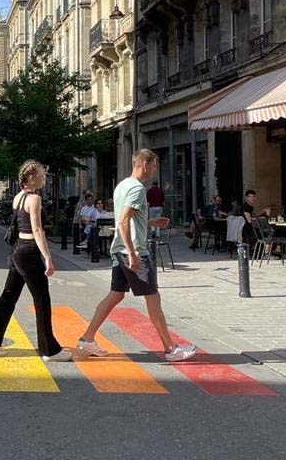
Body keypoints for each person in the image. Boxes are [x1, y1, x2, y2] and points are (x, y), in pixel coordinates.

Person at [76, 149, 198, 362]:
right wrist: (132, 253)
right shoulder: (137, 189)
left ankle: (87, 338)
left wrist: (149, 222)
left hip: (118, 249)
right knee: (153, 297)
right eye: (154, 165)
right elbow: (124, 221)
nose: (154, 170)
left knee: (116, 294)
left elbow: (127, 219)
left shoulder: (122, 185)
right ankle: (170, 348)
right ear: (144, 164)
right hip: (133, 251)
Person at [0, 160, 72, 362]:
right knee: (42, 300)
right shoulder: (34, 199)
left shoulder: (18, 197)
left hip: (17, 250)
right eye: (41, 174)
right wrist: (48, 257)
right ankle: (50, 350)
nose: (44, 177)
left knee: (8, 296)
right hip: (29, 252)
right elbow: (37, 230)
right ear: (31, 178)